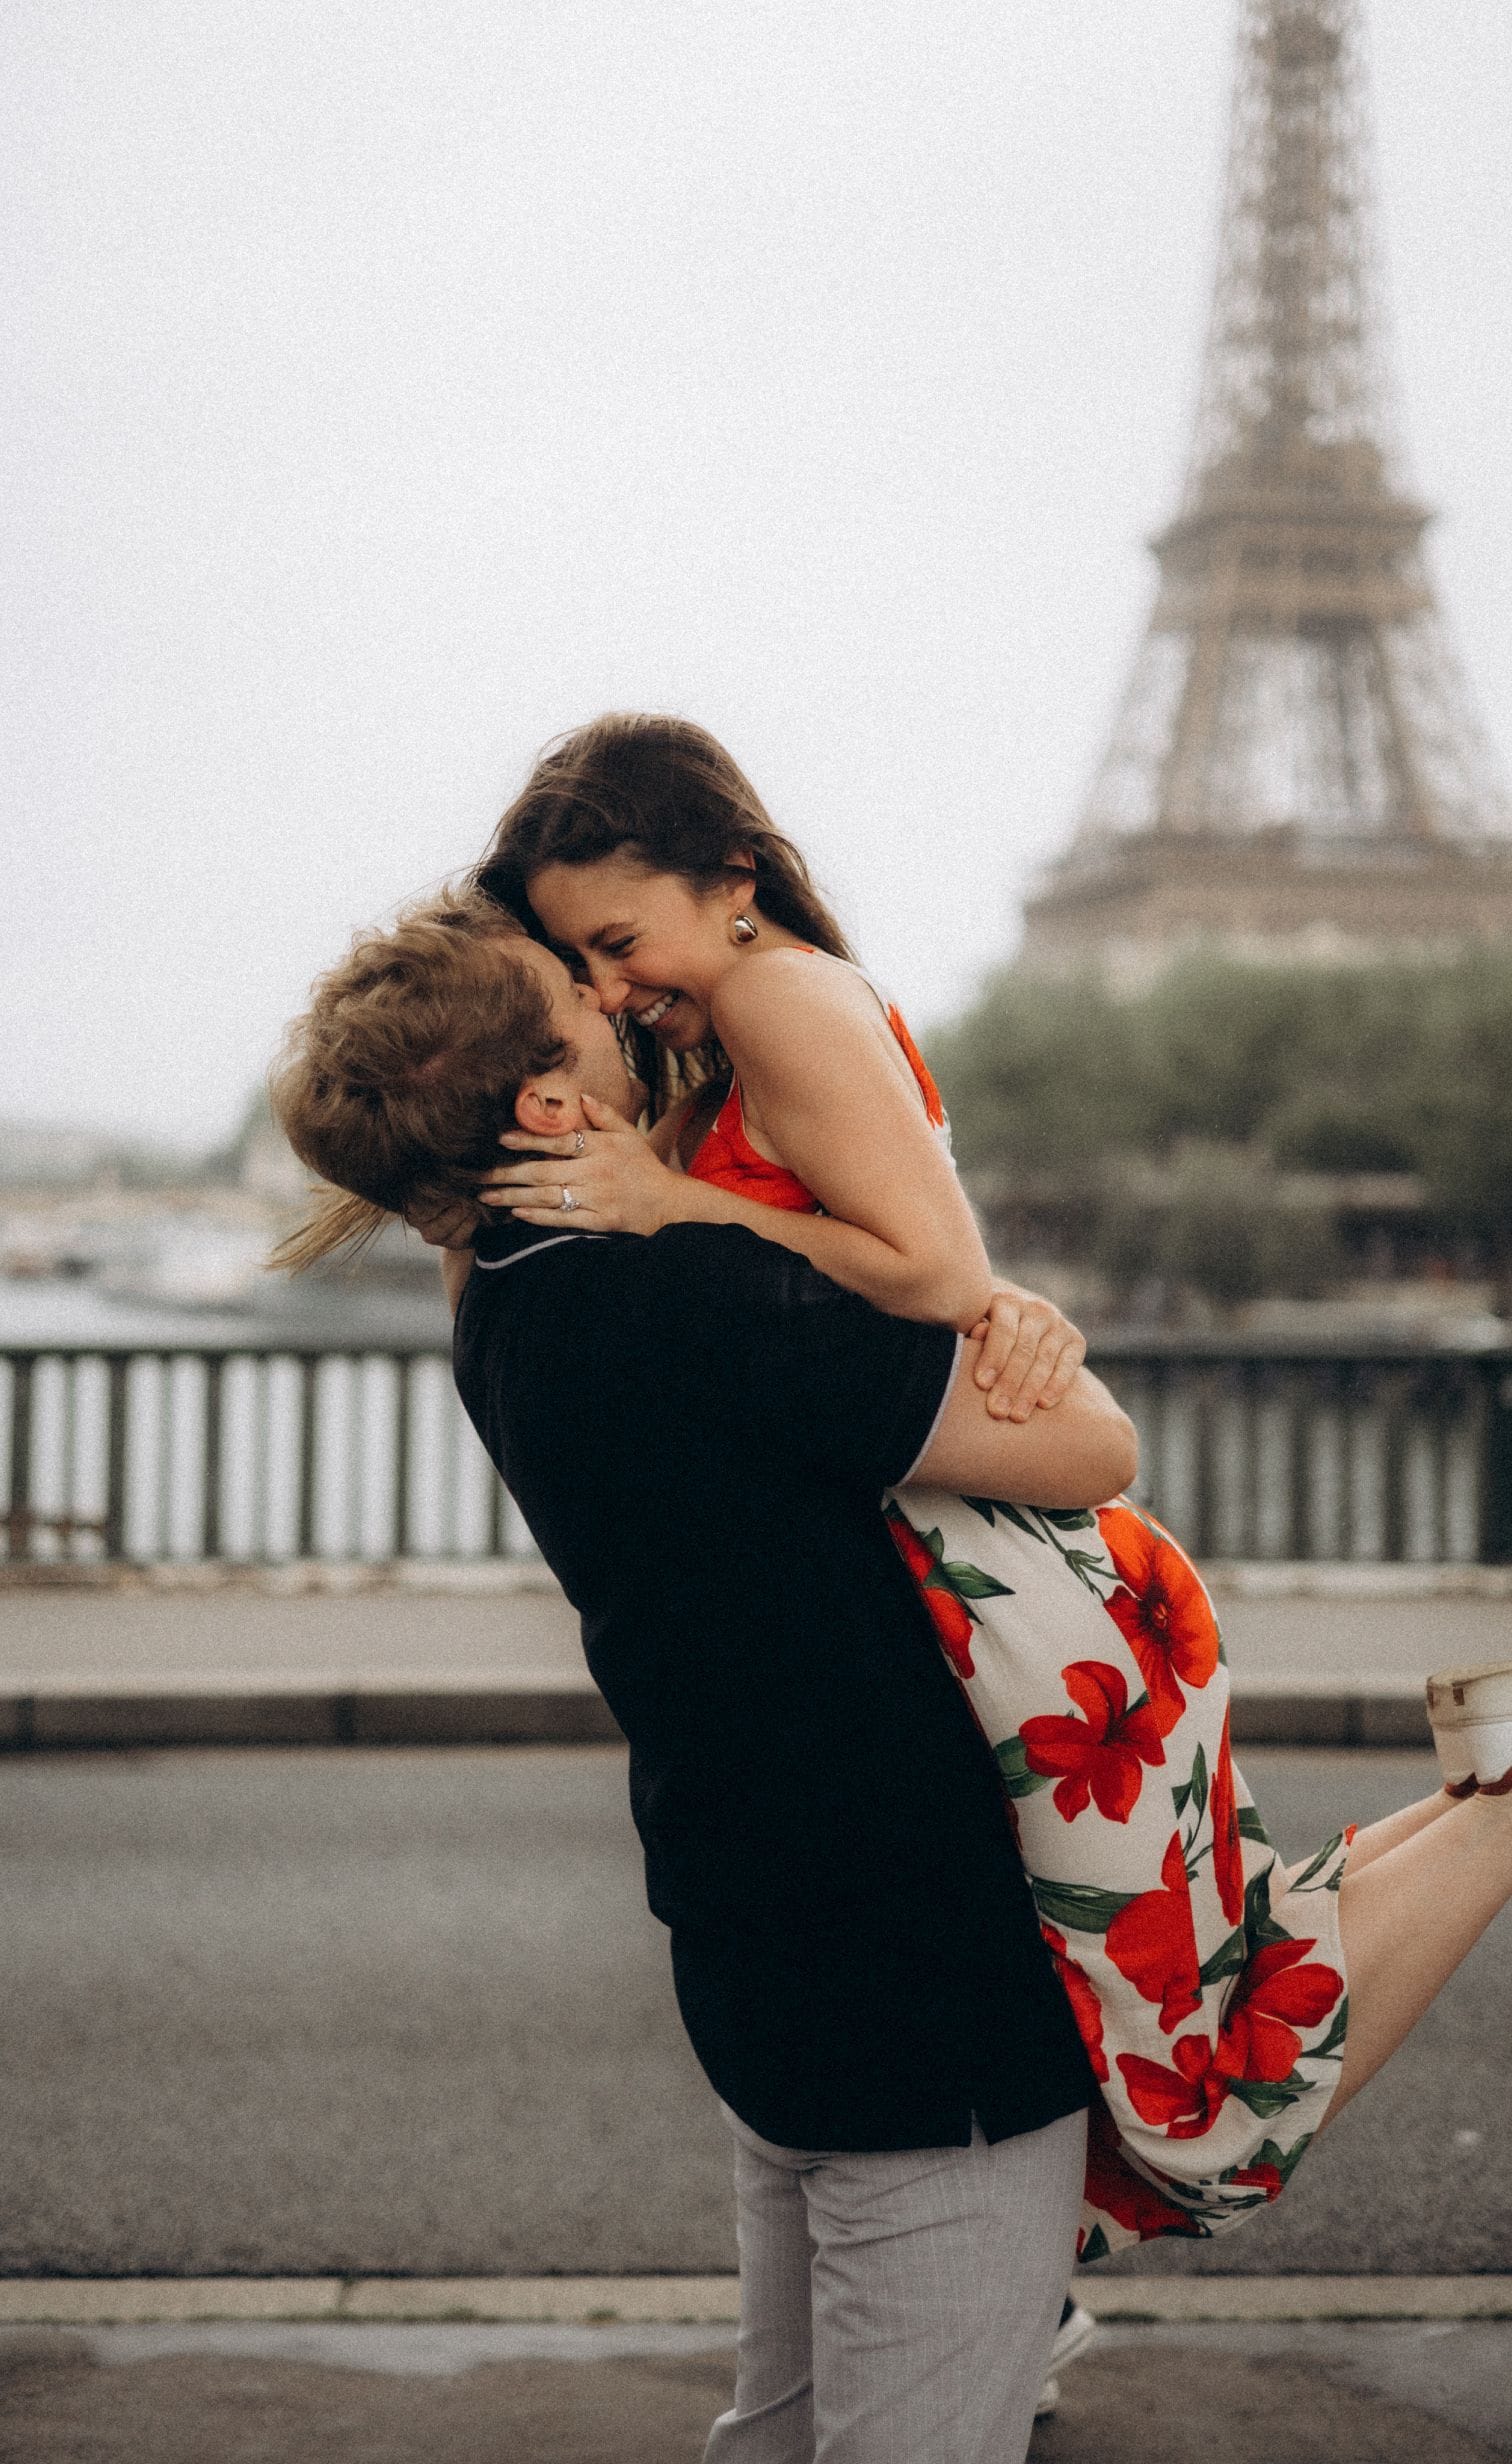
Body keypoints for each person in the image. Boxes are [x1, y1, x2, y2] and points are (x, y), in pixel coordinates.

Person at [467, 711, 1512, 2258]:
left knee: (1190, 2055)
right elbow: (929, 1282)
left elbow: (933, 1268)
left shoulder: (774, 998)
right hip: (1013, 1584)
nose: (616, 989)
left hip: (1020, 1598)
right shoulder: (743, 1021)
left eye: (619, 940)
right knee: (1183, 1982)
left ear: (732, 872)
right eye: (584, 965)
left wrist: (672, 1202)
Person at [271, 891, 1139, 2462]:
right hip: (913, 1964)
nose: (630, 1011)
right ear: (548, 1103)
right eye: (586, 1002)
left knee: (782, 2431)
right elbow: (1097, 1450)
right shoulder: (689, 1295)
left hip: (749, 1924)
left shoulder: (504, 1313)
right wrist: (1017, 1323)